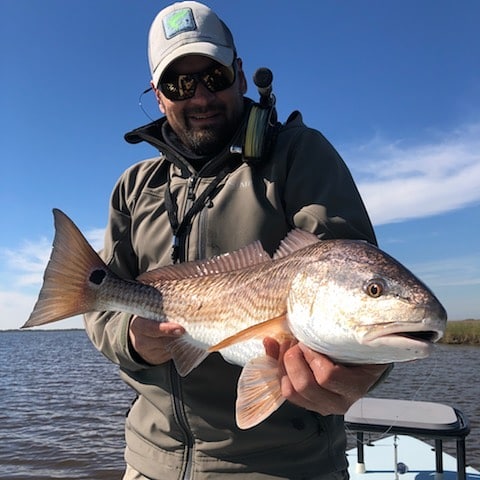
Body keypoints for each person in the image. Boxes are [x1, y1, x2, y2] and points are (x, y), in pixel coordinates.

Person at [84, 2, 390, 479]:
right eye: (179, 84)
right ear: (158, 97)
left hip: (284, 468)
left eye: (214, 75)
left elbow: (355, 281)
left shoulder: (298, 155)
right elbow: (96, 303)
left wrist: (364, 368)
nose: (201, 95)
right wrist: (131, 340)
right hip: (149, 462)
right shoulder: (134, 188)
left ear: (241, 75)